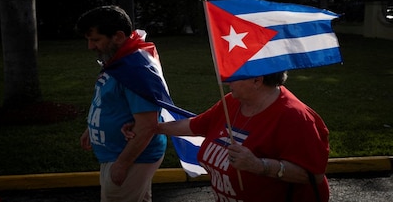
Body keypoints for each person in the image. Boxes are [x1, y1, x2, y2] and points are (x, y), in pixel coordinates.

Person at [124, 71, 330, 202]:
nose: (225, 78)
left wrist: (259, 165)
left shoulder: (295, 117)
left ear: (257, 80)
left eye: (234, 73)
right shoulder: (232, 101)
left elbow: (313, 176)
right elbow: (195, 125)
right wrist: (152, 127)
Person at [76, 5, 168, 202]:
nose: (91, 47)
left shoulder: (135, 69)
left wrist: (122, 164)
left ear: (118, 36)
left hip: (130, 157)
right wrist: (91, 129)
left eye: (96, 40)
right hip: (121, 155)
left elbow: (147, 125)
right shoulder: (121, 60)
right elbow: (110, 101)